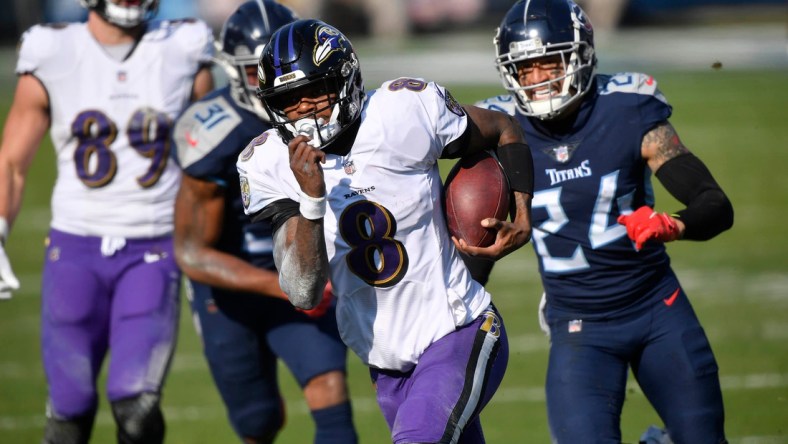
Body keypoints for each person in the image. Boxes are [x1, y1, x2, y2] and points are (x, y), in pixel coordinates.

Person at [238, 18, 534, 444]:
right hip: (386, 365)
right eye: (288, 101)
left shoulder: (403, 112)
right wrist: (312, 201)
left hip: (458, 330)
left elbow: (504, 127)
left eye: (313, 92)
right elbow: (302, 291)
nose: (302, 109)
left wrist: (521, 213)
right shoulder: (267, 162)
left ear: (346, 80)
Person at [476, 0, 734, 442]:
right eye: (525, 69)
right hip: (578, 325)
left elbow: (713, 204)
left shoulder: (627, 108)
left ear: (579, 56)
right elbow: (478, 250)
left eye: (548, 63)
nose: (538, 81)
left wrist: (673, 224)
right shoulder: (500, 131)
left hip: (657, 309)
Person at [0, 0, 214, 442]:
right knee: (68, 417)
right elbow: (13, 163)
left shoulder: (182, 46)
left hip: (153, 250)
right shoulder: (53, 50)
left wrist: (211, 247)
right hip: (74, 249)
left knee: (137, 411)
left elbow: (211, 157)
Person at [170, 2, 358, 443]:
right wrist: (281, 285)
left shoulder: (333, 116)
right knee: (257, 423)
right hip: (231, 290)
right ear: (233, 71)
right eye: (260, 71)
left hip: (307, 266)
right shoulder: (212, 132)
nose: (276, 84)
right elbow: (192, 253)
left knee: (330, 391)